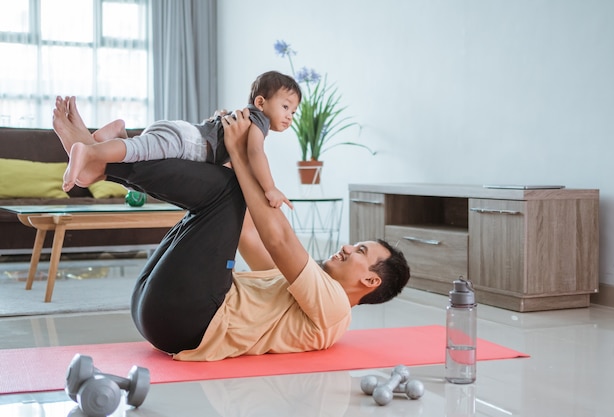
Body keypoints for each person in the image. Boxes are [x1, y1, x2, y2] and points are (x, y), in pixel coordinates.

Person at [51, 101, 411, 361]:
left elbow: (278, 237)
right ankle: (101, 157)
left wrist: (240, 153)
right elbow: (249, 232)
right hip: (160, 311)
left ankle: (101, 161)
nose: (348, 247)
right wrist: (222, 151)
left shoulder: (334, 308)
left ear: (370, 282)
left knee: (228, 191)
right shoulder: (300, 291)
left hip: (187, 320)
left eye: (361, 252)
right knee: (221, 197)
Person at [56, 70, 301, 208]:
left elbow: (237, 161)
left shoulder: (246, 118)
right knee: (138, 149)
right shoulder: (259, 121)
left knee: (139, 151)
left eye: (293, 112)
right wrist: (271, 189)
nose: (289, 116)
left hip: (185, 136)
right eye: (286, 107)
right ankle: (89, 152)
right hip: (187, 141)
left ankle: (115, 134)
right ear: (261, 102)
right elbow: (256, 154)